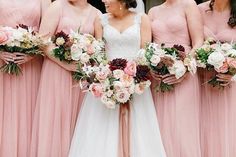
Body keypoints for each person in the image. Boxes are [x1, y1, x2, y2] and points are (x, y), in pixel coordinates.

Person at [68, 0, 166, 157]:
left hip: (136, 82)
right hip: (106, 83)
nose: (103, 1)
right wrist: (108, 78)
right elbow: (99, 55)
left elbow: (145, 53)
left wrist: (132, 79)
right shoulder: (101, 20)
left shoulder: (142, 19)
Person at [30, 0, 100, 156]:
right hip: (56, 72)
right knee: (55, 121)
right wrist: (66, 63)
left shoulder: (96, 14)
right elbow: (43, 41)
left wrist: (86, 59)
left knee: (78, 123)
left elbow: (99, 48)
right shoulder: (57, 6)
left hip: (81, 76)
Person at [148, 0, 203, 157]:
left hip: (184, 73)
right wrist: (152, 67)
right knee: (159, 125)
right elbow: (148, 45)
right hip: (159, 75)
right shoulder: (152, 11)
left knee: (183, 126)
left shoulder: (189, 4)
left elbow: (198, 41)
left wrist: (185, 66)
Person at [0, 0, 51, 156]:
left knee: (30, 109)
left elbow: (48, 31)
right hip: (3, 63)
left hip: (32, 64)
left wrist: (33, 52)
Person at [198, 0, 236, 156]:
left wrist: (233, 74)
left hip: (228, 83)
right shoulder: (199, 10)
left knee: (225, 129)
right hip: (201, 82)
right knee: (203, 127)